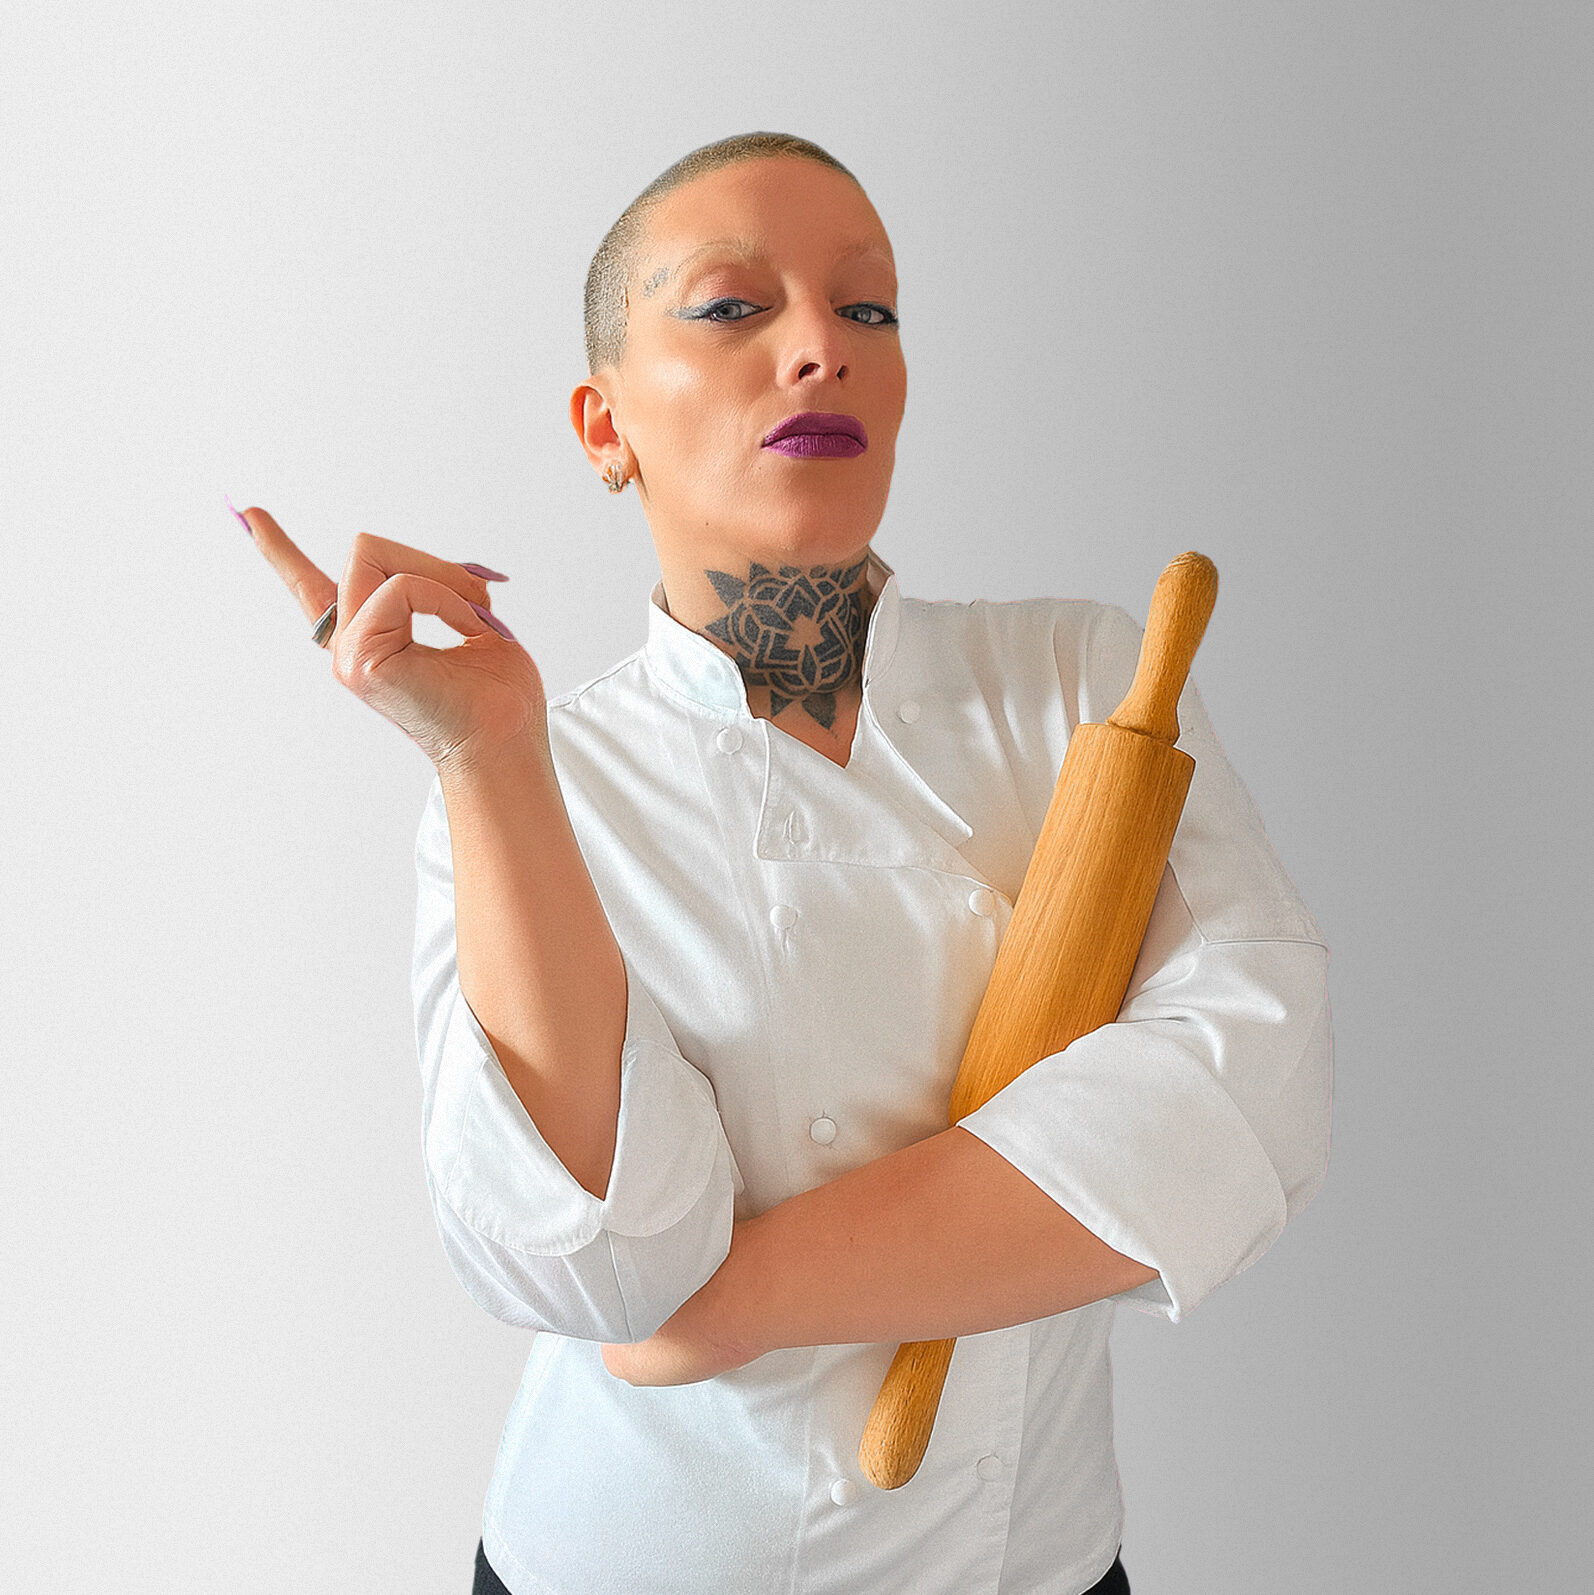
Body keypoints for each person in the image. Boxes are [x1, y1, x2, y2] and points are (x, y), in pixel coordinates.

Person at [235, 131, 1331, 1595]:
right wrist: (487, 754)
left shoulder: (1083, 681)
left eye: (867, 307)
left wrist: (739, 1301)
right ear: (603, 424)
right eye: (733, 307)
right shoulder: (536, 781)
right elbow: (603, 1264)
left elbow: (1245, 1080)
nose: (823, 346)